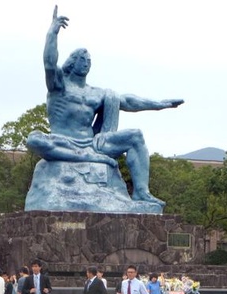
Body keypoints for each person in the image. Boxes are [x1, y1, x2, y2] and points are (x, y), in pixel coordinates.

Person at [27, 7, 183, 209]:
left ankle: (142, 192)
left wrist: (160, 105)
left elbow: (127, 101)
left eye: (89, 61)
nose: (87, 63)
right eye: (83, 59)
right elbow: (49, 63)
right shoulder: (59, 86)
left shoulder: (97, 93)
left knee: (135, 136)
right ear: (72, 62)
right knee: (35, 139)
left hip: (93, 144)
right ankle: (83, 157)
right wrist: (52, 33)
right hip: (63, 141)